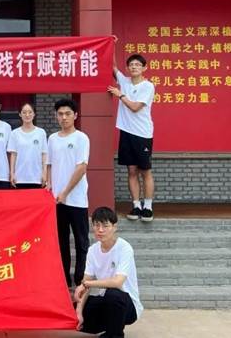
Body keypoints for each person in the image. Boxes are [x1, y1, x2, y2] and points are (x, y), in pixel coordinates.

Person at [74, 206, 142, 338]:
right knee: (77, 309)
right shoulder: (92, 250)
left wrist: (87, 284)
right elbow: (85, 283)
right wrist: (79, 311)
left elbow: (117, 282)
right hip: (106, 301)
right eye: (96, 225)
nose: (100, 230)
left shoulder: (124, 248)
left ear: (114, 227)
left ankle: (115, 334)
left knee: (113, 294)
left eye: (105, 226)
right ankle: (102, 326)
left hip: (127, 306)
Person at [47, 98, 90, 288]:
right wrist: (50, 186)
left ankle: (81, 280)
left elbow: (81, 168)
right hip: (57, 201)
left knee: (81, 242)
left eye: (67, 114)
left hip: (77, 200)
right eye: (60, 114)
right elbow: (49, 165)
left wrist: (65, 192)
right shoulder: (52, 139)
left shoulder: (81, 138)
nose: (64, 117)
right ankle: (64, 280)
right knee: (61, 242)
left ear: (75, 115)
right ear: (56, 116)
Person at [108, 52, 156, 222]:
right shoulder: (124, 81)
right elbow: (112, 66)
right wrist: (111, 44)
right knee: (132, 171)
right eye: (131, 65)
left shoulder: (148, 86)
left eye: (137, 65)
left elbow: (135, 107)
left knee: (145, 171)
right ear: (128, 68)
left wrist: (120, 95)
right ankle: (136, 205)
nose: (134, 67)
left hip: (142, 133)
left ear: (144, 68)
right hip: (126, 132)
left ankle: (148, 207)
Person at [8, 102, 48, 189]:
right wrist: (12, 173)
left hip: (37, 177)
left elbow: (44, 155)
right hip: (19, 178)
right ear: (20, 114)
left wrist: (44, 173)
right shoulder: (15, 133)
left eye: (30, 112)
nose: (27, 115)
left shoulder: (41, 133)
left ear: (34, 114)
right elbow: (13, 155)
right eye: (24, 112)